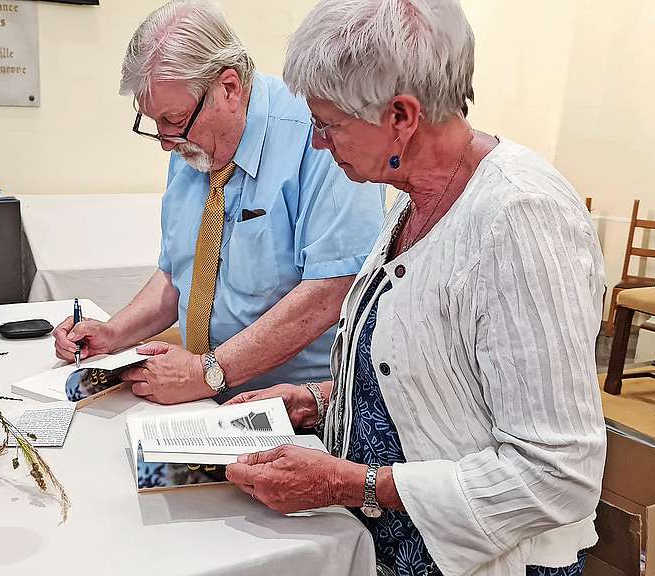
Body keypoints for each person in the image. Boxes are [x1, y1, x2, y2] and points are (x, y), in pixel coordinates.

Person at [224, 1, 606, 575]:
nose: (320, 146)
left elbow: (557, 474)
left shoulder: (520, 217)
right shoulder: (413, 197)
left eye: (328, 125)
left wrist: (344, 482)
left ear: (402, 115)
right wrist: (319, 401)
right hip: (396, 542)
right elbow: (437, 374)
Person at [52, 0, 385, 405]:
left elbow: (332, 289)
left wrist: (207, 371)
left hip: (295, 412)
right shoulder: (192, 145)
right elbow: (180, 275)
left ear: (228, 88)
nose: (165, 143)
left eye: (173, 121)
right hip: (205, 397)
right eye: (154, 123)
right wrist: (112, 333)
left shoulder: (319, 136)